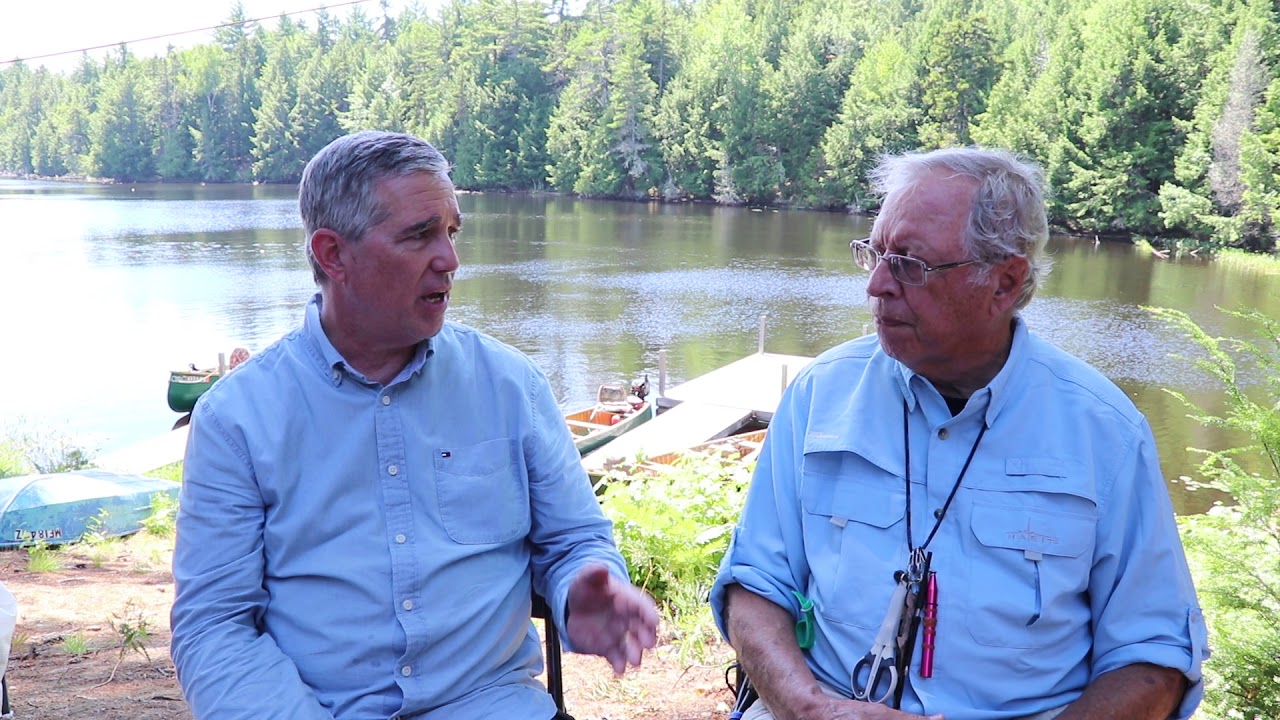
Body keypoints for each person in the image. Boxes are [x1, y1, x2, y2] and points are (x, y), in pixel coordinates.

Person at [170, 131, 658, 720]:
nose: (450, 261)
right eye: (418, 235)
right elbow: (216, 627)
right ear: (333, 255)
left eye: (451, 232)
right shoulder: (236, 419)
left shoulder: (509, 385)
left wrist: (582, 591)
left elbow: (573, 542)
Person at [711, 147, 1208, 720]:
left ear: (1004, 282)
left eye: (909, 264)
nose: (876, 285)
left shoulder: (1105, 432)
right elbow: (754, 587)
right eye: (873, 253)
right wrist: (807, 709)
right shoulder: (821, 393)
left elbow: (1153, 659)